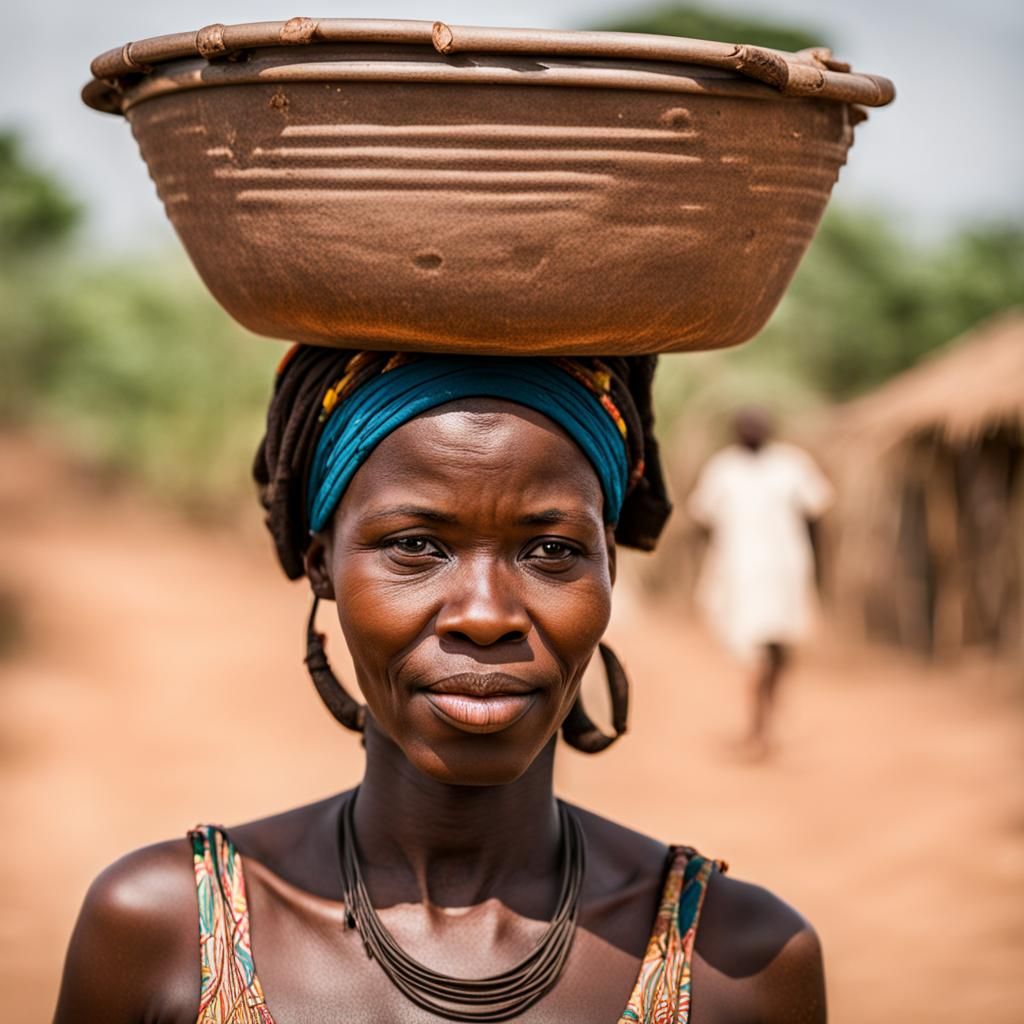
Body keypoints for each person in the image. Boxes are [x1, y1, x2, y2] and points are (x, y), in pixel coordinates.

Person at [54, 351, 825, 1023]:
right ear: (322, 564)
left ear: (609, 574)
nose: (485, 615)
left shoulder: (742, 963)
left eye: (552, 550)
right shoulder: (163, 932)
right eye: (416, 546)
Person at [688, 407, 834, 758]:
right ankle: (760, 731)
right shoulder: (723, 470)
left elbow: (817, 517)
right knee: (755, 653)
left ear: (770, 428)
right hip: (741, 577)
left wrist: (820, 571)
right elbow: (702, 520)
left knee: (780, 650)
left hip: (785, 573)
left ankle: (764, 727)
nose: (751, 430)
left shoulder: (792, 465)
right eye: (744, 425)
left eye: (757, 425)